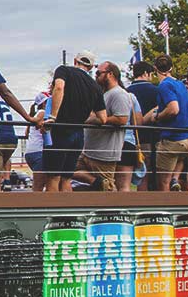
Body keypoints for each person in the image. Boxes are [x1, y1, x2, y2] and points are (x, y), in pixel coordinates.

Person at [45, 51, 104, 192]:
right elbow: (103, 118)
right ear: (90, 67)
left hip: (60, 130)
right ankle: (68, 212)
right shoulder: (95, 86)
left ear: (75, 61)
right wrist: (83, 120)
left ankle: (52, 212)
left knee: (53, 177)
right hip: (78, 133)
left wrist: (53, 116)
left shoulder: (64, 70)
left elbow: (59, 87)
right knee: (67, 178)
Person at [141, 57, 188, 191]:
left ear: (155, 69)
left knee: (163, 182)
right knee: (178, 162)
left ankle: (167, 208)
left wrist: (157, 117)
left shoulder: (164, 85)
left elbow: (173, 109)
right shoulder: (180, 84)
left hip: (173, 140)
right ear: (171, 68)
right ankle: (175, 180)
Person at [71, 61, 131, 192]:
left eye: (98, 73)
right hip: (89, 150)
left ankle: (116, 212)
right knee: (66, 170)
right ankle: (95, 182)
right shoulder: (104, 93)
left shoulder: (119, 94)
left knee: (108, 189)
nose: (96, 76)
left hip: (105, 152)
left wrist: (97, 120)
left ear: (110, 74)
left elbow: (122, 118)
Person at [25, 87, 52, 191]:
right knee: (38, 185)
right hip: (39, 153)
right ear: (45, 103)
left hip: (31, 152)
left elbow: (27, 133)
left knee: (42, 182)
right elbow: (40, 123)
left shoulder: (36, 113)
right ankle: (34, 205)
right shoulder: (42, 112)